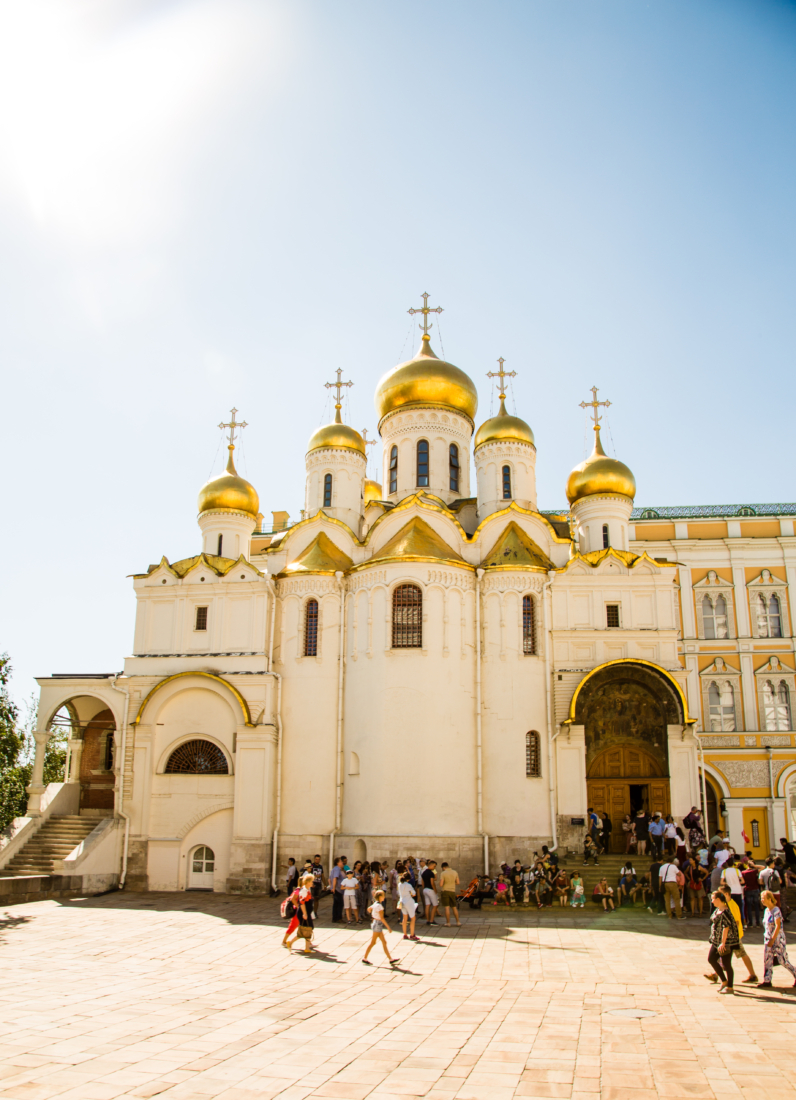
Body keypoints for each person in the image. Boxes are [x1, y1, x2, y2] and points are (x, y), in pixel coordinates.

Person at [713, 884, 758, 984]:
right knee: (724, 954)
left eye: (721, 894)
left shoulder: (732, 906)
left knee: (737, 954)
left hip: (733, 937)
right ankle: (715, 974)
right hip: (732, 936)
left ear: (727, 894)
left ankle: (752, 975)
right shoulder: (727, 904)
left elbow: (736, 922)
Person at [758, 890, 796, 989]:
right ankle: (767, 980)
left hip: (777, 939)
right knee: (767, 960)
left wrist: (773, 939)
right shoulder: (766, 911)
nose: (762, 900)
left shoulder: (776, 910)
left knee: (782, 960)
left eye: (763, 898)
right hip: (767, 939)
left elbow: (778, 925)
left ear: (770, 899)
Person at [705, 890, 739, 993]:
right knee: (711, 959)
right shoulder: (717, 910)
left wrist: (723, 943)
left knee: (726, 963)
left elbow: (726, 927)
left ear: (719, 899)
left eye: (713, 899)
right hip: (717, 941)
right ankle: (724, 981)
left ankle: (730, 987)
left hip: (726, 942)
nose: (712, 901)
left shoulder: (725, 912)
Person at [362, 889, 398, 966]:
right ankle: (364, 958)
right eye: (383, 896)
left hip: (376, 923)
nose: (384, 897)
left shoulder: (375, 904)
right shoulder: (380, 906)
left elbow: (369, 909)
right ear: (380, 897)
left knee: (384, 942)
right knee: (373, 942)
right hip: (378, 924)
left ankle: (390, 959)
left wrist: (373, 914)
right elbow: (382, 918)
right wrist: (388, 927)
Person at [721, 858, 744, 925]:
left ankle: (730, 923)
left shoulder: (724, 871)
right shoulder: (737, 871)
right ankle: (740, 924)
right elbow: (743, 881)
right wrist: (737, 882)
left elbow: (721, 882)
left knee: (729, 908)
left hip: (730, 892)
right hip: (738, 891)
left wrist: (727, 883)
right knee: (739, 908)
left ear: (727, 864)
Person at [438, 862, 461, 927]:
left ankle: (448, 923)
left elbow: (441, 884)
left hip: (445, 891)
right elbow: (458, 882)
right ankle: (458, 922)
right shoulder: (455, 872)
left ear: (443, 867)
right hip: (452, 891)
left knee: (447, 907)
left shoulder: (443, 873)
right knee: (454, 907)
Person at [398, 871, 419, 940]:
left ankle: (405, 934)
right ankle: (412, 934)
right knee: (413, 918)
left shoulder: (400, 884)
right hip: (408, 902)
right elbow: (414, 893)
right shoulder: (408, 885)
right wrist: (410, 894)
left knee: (405, 918)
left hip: (402, 901)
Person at [741, 861, 762, 928]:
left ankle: (750, 923)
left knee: (749, 907)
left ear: (747, 865)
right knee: (756, 906)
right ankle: (758, 922)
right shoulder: (755, 871)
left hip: (747, 889)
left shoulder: (743, 872)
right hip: (755, 889)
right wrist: (754, 866)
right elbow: (763, 867)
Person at [422, 860, 439, 925]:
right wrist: (435, 890)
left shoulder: (424, 872)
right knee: (435, 905)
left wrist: (424, 888)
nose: (434, 868)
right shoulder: (431, 873)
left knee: (427, 905)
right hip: (430, 890)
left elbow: (422, 882)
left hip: (425, 889)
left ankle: (428, 920)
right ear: (431, 865)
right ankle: (432, 920)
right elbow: (432, 883)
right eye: (434, 866)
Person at [329, 856, 345, 923]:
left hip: (335, 888)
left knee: (335, 904)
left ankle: (334, 918)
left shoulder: (334, 869)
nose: (342, 863)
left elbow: (329, 879)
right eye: (341, 862)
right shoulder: (337, 869)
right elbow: (335, 878)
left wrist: (331, 886)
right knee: (340, 904)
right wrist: (333, 887)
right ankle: (338, 918)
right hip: (338, 889)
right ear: (338, 863)